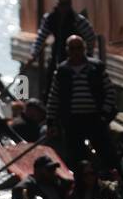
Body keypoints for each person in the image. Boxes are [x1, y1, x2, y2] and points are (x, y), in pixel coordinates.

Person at [45, 34, 117, 170]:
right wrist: (50, 122)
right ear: (68, 50)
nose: (76, 51)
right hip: (72, 121)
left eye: (79, 48)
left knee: (108, 155)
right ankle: (78, 184)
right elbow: (53, 98)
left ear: (84, 49)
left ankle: (115, 181)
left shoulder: (97, 67)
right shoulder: (61, 71)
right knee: (75, 157)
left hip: (95, 119)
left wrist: (103, 114)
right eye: (72, 48)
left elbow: (110, 92)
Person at [26, 0, 97, 86]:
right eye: (61, 4)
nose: (62, 8)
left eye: (65, 4)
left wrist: (88, 55)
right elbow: (41, 37)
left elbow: (91, 37)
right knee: (51, 82)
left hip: (74, 59)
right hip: (56, 56)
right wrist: (33, 54)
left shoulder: (78, 20)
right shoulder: (50, 19)